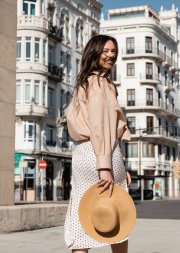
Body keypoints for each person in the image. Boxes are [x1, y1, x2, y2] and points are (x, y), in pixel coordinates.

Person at [64, 34, 132, 253]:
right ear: (94, 52)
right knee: (118, 217)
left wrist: (119, 162)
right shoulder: (100, 83)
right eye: (106, 51)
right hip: (101, 153)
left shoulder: (83, 83)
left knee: (81, 219)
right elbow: (100, 126)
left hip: (83, 154)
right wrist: (106, 165)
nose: (111, 55)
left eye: (114, 51)